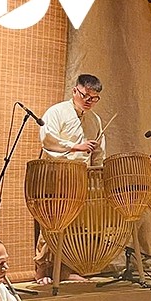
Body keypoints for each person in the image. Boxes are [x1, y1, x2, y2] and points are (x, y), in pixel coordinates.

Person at [34, 73, 107, 284]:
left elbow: (99, 151)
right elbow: (47, 139)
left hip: (80, 177)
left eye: (94, 98)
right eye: (85, 96)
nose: (89, 101)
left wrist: (98, 172)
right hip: (56, 175)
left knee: (75, 226)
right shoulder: (57, 112)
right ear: (75, 90)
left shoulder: (94, 120)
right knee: (52, 221)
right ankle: (42, 270)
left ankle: (65, 269)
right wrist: (75, 146)